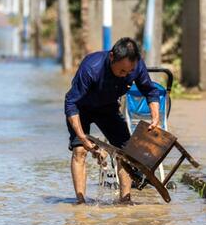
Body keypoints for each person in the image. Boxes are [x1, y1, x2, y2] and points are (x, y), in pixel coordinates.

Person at [65, 37, 160, 204]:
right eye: (122, 71)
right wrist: (82, 137)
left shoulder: (136, 66)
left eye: (129, 72)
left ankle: (125, 200)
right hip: (82, 108)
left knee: (125, 153)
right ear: (111, 58)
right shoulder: (91, 68)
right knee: (80, 151)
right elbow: (71, 102)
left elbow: (150, 91)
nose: (126, 75)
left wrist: (155, 116)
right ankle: (80, 201)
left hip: (108, 108)